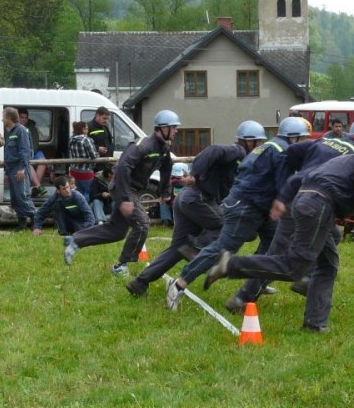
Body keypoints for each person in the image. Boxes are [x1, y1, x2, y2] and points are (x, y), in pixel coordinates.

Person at [203, 144, 354, 333]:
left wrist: (283, 199)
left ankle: (315, 323)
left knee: (328, 264)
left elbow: (301, 177)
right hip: (320, 206)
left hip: (305, 200)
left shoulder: (349, 161)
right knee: (294, 266)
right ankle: (230, 265)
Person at [223, 117, 354, 313]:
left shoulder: (324, 140)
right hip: (312, 203)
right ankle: (241, 297)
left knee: (333, 238)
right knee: (278, 253)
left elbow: (292, 151)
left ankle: (305, 279)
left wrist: (302, 172)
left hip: (302, 198)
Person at [163, 116, 309, 311]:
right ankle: (179, 283)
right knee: (222, 249)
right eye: (303, 138)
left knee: (274, 245)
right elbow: (285, 185)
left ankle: (254, 284)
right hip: (246, 207)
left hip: (258, 206)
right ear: (294, 137)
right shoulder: (282, 152)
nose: (305, 143)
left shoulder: (267, 147)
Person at [126, 121, 268, 298]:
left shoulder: (242, 161)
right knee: (227, 228)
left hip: (187, 199)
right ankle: (196, 247)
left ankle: (140, 282)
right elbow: (212, 150)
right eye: (259, 142)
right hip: (197, 199)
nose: (260, 146)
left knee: (177, 248)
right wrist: (194, 174)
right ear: (248, 141)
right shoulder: (237, 150)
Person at [64, 110, 178, 278]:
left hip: (133, 190)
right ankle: (120, 266)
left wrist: (165, 193)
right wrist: (125, 198)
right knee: (142, 224)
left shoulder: (163, 148)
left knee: (116, 231)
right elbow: (123, 166)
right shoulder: (144, 145)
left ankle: (75, 240)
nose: (176, 131)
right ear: (162, 128)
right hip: (123, 187)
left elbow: (167, 167)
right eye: (173, 127)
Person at [2, 106, 37, 231]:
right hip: (11, 168)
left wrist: (22, 168)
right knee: (15, 198)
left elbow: (25, 151)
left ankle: (35, 220)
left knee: (22, 195)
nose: (2, 119)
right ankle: (21, 224)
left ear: (9, 118)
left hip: (19, 167)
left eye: (3, 116)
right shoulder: (10, 131)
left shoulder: (21, 131)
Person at [18, 108, 47, 196]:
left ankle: (35, 188)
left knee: (43, 160)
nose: (24, 119)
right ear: (17, 118)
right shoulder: (14, 128)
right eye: (21, 117)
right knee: (27, 162)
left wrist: (30, 153)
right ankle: (38, 186)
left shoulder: (32, 128)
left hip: (32, 151)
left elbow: (35, 144)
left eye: (25, 118)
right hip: (20, 153)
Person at [68, 120, 98, 201]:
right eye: (87, 129)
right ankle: (85, 209)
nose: (88, 131)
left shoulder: (71, 139)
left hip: (74, 170)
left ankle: (78, 210)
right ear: (83, 129)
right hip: (86, 171)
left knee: (78, 193)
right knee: (90, 192)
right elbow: (94, 156)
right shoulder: (86, 140)